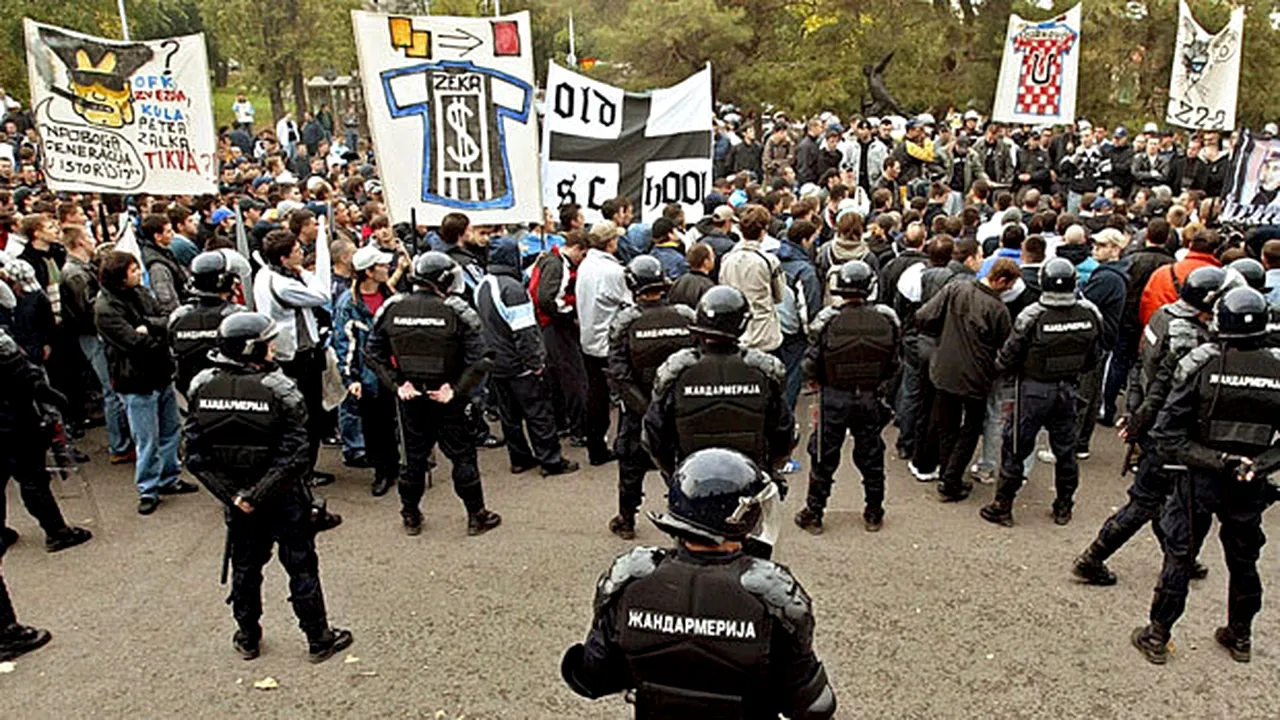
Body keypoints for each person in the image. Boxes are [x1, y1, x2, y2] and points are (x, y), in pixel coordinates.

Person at [560, 448, 836, 720]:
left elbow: (591, 678)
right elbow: (813, 705)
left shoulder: (631, 577)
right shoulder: (771, 594)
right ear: (740, 516)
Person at [184, 313, 352, 663]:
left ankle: (248, 636)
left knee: (245, 567)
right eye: (267, 342)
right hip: (282, 497)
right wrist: (256, 494)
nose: (273, 347)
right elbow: (297, 455)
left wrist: (236, 496)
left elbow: (196, 457)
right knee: (300, 567)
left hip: (240, 499)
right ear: (251, 348)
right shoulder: (280, 389)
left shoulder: (201, 386)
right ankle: (318, 638)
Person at [1132, 288, 1280, 665]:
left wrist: (1221, 460)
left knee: (1180, 557)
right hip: (1247, 483)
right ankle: (1240, 636)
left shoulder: (1200, 364)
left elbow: (1167, 435)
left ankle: (1157, 635)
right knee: (1244, 561)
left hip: (1201, 476)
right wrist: (1256, 465)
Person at [1073, 266, 1227, 585]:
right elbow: (1168, 387)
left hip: (1152, 420)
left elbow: (1139, 366)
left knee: (1159, 497)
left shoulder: (1162, 316)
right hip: (1168, 428)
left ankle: (1181, 555)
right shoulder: (1189, 337)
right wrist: (1141, 420)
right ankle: (1093, 557)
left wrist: (1134, 413)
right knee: (1147, 500)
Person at [643, 286, 795, 557]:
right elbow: (784, 433)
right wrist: (770, 472)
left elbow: (653, 436)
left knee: (690, 556)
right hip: (748, 486)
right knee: (747, 560)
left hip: (694, 485)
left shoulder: (676, 371)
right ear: (742, 324)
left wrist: (675, 476)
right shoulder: (764, 370)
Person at [364, 251, 501, 537]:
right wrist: (456, 389)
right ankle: (476, 516)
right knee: (462, 456)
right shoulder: (456, 310)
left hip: (412, 396)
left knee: (413, 458)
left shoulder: (392, 307)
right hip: (446, 397)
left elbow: (373, 354)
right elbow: (482, 358)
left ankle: (410, 515)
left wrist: (398, 384)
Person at [978, 258, 1102, 527]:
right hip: (1067, 390)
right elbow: (1094, 358)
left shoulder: (1032, 315)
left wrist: (999, 369)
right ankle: (1063, 506)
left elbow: (1008, 356)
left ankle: (1003, 506)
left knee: (1015, 449)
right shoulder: (1090, 314)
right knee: (1065, 452)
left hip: (1034, 390)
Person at [795, 261, 900, 534]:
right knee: (871, 454)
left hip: (834, 397)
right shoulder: (887, 319)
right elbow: (894, 363)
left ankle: (815, 513)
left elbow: (810, 363)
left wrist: (818, 381)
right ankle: (874, 512)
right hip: (869, 397)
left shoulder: (827, 319)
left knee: (823, 455)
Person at [94, 251, 196, 515]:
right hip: (135, 381)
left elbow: (166, 320)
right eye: (133, 270)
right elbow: (133, 342)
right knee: (147, 439)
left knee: (170, 431)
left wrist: (147, 326)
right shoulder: (105, 308)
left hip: (160, 374)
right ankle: (148, 489)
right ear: (119, 276)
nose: (139, 273)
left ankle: (169, 478)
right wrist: (154, 332)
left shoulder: (142, 293)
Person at [605, 256, 697, 539]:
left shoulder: (625, 322)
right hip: (678, 409)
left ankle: (627, 520)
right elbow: (696, 361)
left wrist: (645, 409)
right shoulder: (686, 316)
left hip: (638, 410)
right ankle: (689, 522)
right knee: (679, 467)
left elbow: (619, 373)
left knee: (631, 465)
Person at [914, 256, 1018, 501]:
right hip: (976, 377)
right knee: (970, 429)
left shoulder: (956, 288)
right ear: (1002, 281)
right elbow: (1007, 347)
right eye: (1011, 284)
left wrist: (942, 338)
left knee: (946, 425)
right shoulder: (998, 309)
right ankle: (951, 480)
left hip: (944, 369)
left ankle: (947, 474)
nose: (1011, 289)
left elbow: (924, 315)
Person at [477, 237, 578, 478]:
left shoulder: (484, 283)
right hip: (518, 364)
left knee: (509, 416)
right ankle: (551, 461)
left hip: (495, 361)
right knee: (538, 413)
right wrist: (535, 363)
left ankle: (519, 459)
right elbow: (524, 332)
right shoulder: (512, 289)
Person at [0, 323, 92, 552]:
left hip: (9, 416)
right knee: (32, 478)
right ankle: (57, 532)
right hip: (13, 420)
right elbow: (19, 370)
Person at [253, 228, 332, 484]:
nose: (302, 253)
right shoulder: (284, 284)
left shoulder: (264, 274)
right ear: (284, 259)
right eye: (297, 251)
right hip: (298, 356)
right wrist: (305, 273)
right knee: (308, 416)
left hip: (285, 352)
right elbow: (322, 295)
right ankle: (305, 471)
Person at [333, 245, 399, 497]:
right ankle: (382, 471)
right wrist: (351, 377)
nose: (387, 268)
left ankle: (396, 464)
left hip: (396, 372)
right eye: (382, 265)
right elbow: (344, 343)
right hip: (369, 375)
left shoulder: (392, 296)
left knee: (398, 421)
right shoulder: (348, 304)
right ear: (369, 272)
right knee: (374, 426)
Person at [577, 221, 631, 466]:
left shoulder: (586, 264)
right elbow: (627, 304)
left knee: (596, 396)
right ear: (610, 242)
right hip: (608, 342)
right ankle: (622, 444)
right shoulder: (612, 271)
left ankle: (596, 447)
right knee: (624, 395)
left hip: (589, 337)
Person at [529, 228, 589, 443]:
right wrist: (570, 314)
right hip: (555, 326)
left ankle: (562, 424)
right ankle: (578, 429)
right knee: (573, 377)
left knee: (556, 377)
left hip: (547, 327)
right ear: (576, 248)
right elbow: (547, 298)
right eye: (582, 255)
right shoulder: (558, 265)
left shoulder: (549, 260)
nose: (582, 261)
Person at [169, 251, 245, 397]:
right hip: (230, 391)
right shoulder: (236, 316)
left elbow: (173, 346)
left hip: (192, 392)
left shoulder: (179, 316)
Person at [719, 205, 785, 352]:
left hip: (735, 331)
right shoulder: (769, 261)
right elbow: (780, 295)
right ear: (763, 231)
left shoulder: (726, 259)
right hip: (764, 333)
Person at [138, 213, 190, 315]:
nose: (173, 234)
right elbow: (167, 300)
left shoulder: (166, 252)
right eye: (169, 231)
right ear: (157, 236)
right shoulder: (157, 266)